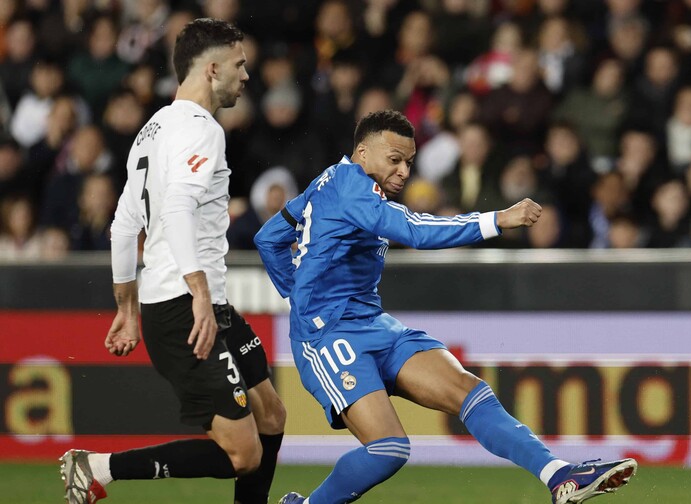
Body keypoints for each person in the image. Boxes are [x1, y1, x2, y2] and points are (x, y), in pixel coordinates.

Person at [254, 110, 637, 504]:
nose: (404, 172)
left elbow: (269, 238)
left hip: (372, 322)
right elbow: (416, 231)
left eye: (409, 162)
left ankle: (559, 476)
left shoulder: (330, 181)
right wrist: (497, 219)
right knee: (388, 449)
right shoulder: (352, 188)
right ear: (363, 153)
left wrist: (297, 291)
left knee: (470, 392)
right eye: (394, 160)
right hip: (328, 335)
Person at [59, 18, 286, 504]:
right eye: (239, 64)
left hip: (199, 304)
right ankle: (99, 467)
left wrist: (126, 307)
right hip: (186, 308)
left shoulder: (152, 130)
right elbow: (179, 208)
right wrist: (198, 292)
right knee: (244, 455)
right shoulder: (202, 130)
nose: (247, 75)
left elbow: (124, 226)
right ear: (211, 70)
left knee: (271, 414)